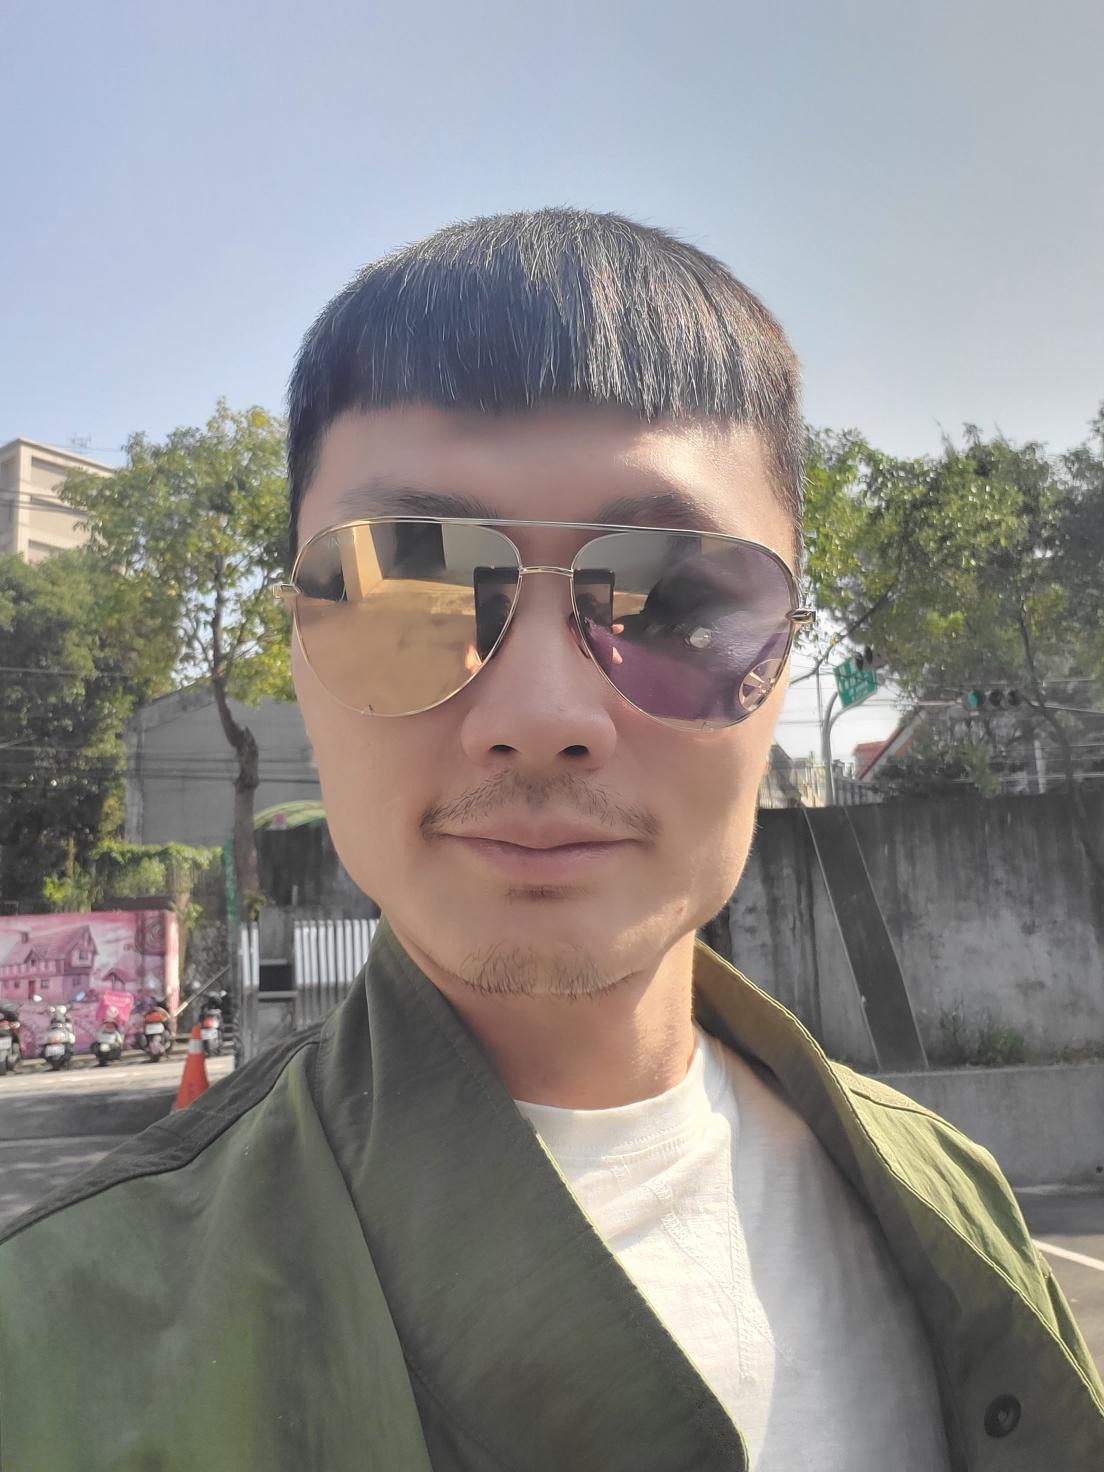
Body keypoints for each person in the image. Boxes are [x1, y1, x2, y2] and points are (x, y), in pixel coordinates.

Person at [1, 210, 1101, 1471]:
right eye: (406, 588)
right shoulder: (54, 1349)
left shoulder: (956, 1203)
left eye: (674, 598)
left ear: (785, 660)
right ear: (299, 658)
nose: (537, 715)